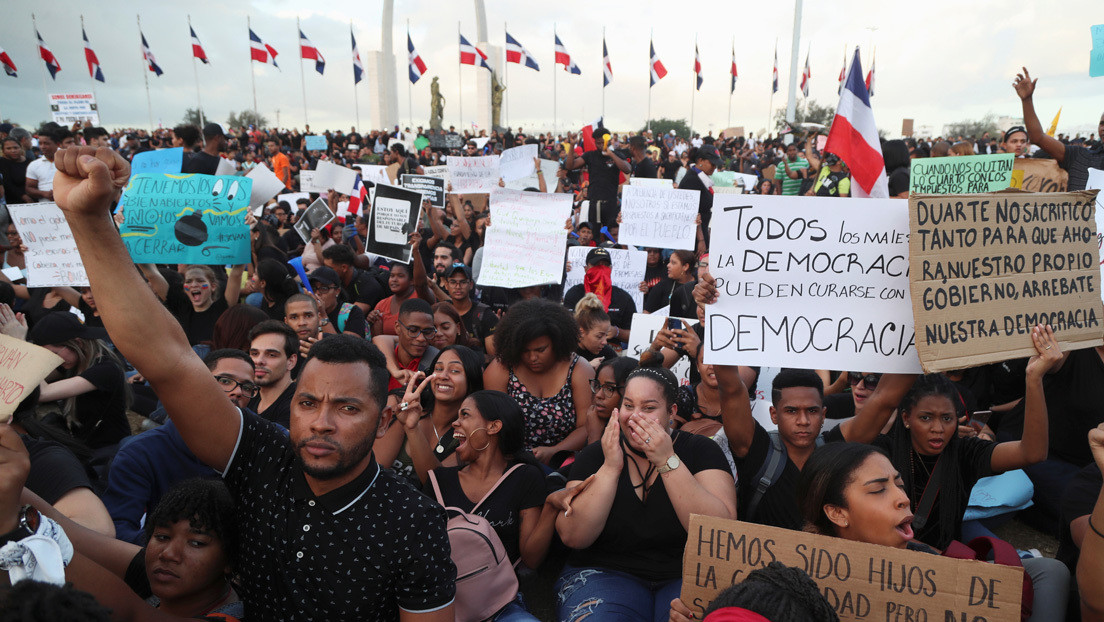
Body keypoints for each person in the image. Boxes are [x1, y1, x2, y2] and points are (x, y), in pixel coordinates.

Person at [51, 143, 456, 621]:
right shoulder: (265, 459)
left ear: (383, 416)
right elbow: (169, 360)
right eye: (307, 402)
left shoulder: (413, 522)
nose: (320, 423)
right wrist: (90, 220)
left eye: (348, 408)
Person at [798, 442, 1070, 622]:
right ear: (838, 513)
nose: (903, 499)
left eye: (899, 484)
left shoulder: (922, 557)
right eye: (878, 489)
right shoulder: (800, 588)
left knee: (1049, 570)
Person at [554, 366, 737, 622]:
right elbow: (573, 536)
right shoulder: (598, 453)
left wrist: (667, 461)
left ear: (671, 412)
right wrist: (610, 468)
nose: (634, 417)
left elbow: (720, 532)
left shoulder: (701, 451)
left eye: (649, 408)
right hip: (604, 573)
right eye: (628, 406)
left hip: (684, 576)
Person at [876, 326, 1059, 550]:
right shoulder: (881, 454)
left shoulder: (966, 452)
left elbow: (1033, 453)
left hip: (944, 564)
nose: (937, 428)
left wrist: (1034, 378)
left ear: (958, 419)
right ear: (906, 418)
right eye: (925, 418)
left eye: (946, 418)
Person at [103, 349, 256, 545]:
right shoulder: (142, 453)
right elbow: (118, 532)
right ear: (198, 382)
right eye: (225, 381)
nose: (238, 392)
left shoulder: (258, 449)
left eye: (248, 387)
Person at [485, 299, 594, 464]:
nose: (532, 357)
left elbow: (586, 427)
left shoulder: (579, 369)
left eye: (541, 350)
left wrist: (555, 451)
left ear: (557, 342)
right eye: (525, 351)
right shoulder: (501, 369)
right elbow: (492, 427)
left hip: (564, 463)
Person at [376, 345, 484, 485]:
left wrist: (412, 429)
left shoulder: (467, 433)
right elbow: (376, 469)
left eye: (455, 371)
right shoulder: (402, 404)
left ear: (471, 380)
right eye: (438, 369)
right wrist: (404, 422)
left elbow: (436, 486)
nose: (443, 376)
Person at [1014, 67, 1104, 190]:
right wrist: (1027, 100)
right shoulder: (1079, 156)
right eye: (1102, 123)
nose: (1103, 128)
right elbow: (1038, 137)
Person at [562, 247, 635, 345]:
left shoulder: (623, 298)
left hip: (613, 351)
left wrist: (617, 332)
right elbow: (565, 328)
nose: (600, 269)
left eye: (605, 265)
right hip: (580, 348)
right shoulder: (574, 293)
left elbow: (635, 334)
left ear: (611, 269)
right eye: (596, 265)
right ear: (586, 268)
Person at [564, 127, 630, 230]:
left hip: (610, 203)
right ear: (594, 142)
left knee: (611, 235)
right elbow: (570, 166)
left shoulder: (616, 155)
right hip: (594, 203)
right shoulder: (590, 155)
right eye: (598, 143)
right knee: (594, 235)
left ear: (608, 141)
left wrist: (611, 154)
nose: (601, 145)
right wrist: (572, 145)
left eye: (603, 142)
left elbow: (627, 169)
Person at [166, 265, 244, 346]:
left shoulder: (223, 307)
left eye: (200, 280)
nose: (193, 285)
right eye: (188, 281)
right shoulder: (181, 309)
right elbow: (153, 276)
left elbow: (236, 274)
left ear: (213, 286)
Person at [246, 320, 298, 428]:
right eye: (254, 353)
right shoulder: (247, 397)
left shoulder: (297, 405)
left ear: (291, 361)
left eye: (271, 355)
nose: (259, 361)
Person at [441, 263, 497, 355]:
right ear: (446, 285)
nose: (458, 287)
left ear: (471, 285)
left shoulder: (485, 314)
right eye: (453, 282)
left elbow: (494, 357)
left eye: (463, 282)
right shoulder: (442, 311)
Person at [370, 259, 435, 337]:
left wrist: (416, 251)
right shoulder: (381, 304)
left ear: (412, 280)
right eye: (392, 276)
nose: (394, 280)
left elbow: (421, 285)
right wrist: (372, 320)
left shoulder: (420, 298)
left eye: (400, 276)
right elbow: (376, 339)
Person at [583, 356, 638, 443]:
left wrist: (594, 436)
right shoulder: (595, 419)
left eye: (610, 389)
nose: (598, 395)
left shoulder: (633, 436)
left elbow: (594, 456)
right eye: (597, 386)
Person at [322, 244, 387, 315]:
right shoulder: (337, 281)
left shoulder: (367, 285)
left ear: (344, 268)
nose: (325, 271)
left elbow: (349, 317)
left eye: (330, 268)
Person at [308, 266, 368, 337]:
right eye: (314, 288)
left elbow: (346, 347)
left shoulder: (352, 312)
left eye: (324, 288)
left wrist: (323, 316)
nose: (317, 293)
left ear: (337, 291)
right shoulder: (306, 311)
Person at [678, 145, 722, 243]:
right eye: (712, 164)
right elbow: (692, 213)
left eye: (716, 165)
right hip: (693, 239)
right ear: (701, 161)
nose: (714, 167)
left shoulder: (700, 178)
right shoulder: (691, 180)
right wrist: (701, 239)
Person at [573, 293, 616, 366]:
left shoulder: (607, 353)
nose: (605, 342)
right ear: (581, 332)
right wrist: (586, 368)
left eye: (606, 335)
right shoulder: (565, 353)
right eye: (599, 336)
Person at [25, 129, 60, 202]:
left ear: (57, 144)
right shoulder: (34, 165)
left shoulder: (68, 161)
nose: (42, 147)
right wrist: (44, 194)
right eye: (40, 143)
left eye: (46, 143)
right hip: (45, 207)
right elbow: (29, 188)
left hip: (69, 205)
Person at [0, 137, 31, 204]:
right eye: (8, 148)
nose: (13, 151)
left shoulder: (30, 162)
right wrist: (24, 197)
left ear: (21, 148)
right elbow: (7, 184)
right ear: (3, 150)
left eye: (15, 148)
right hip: (12, 203)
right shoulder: (2, 163)